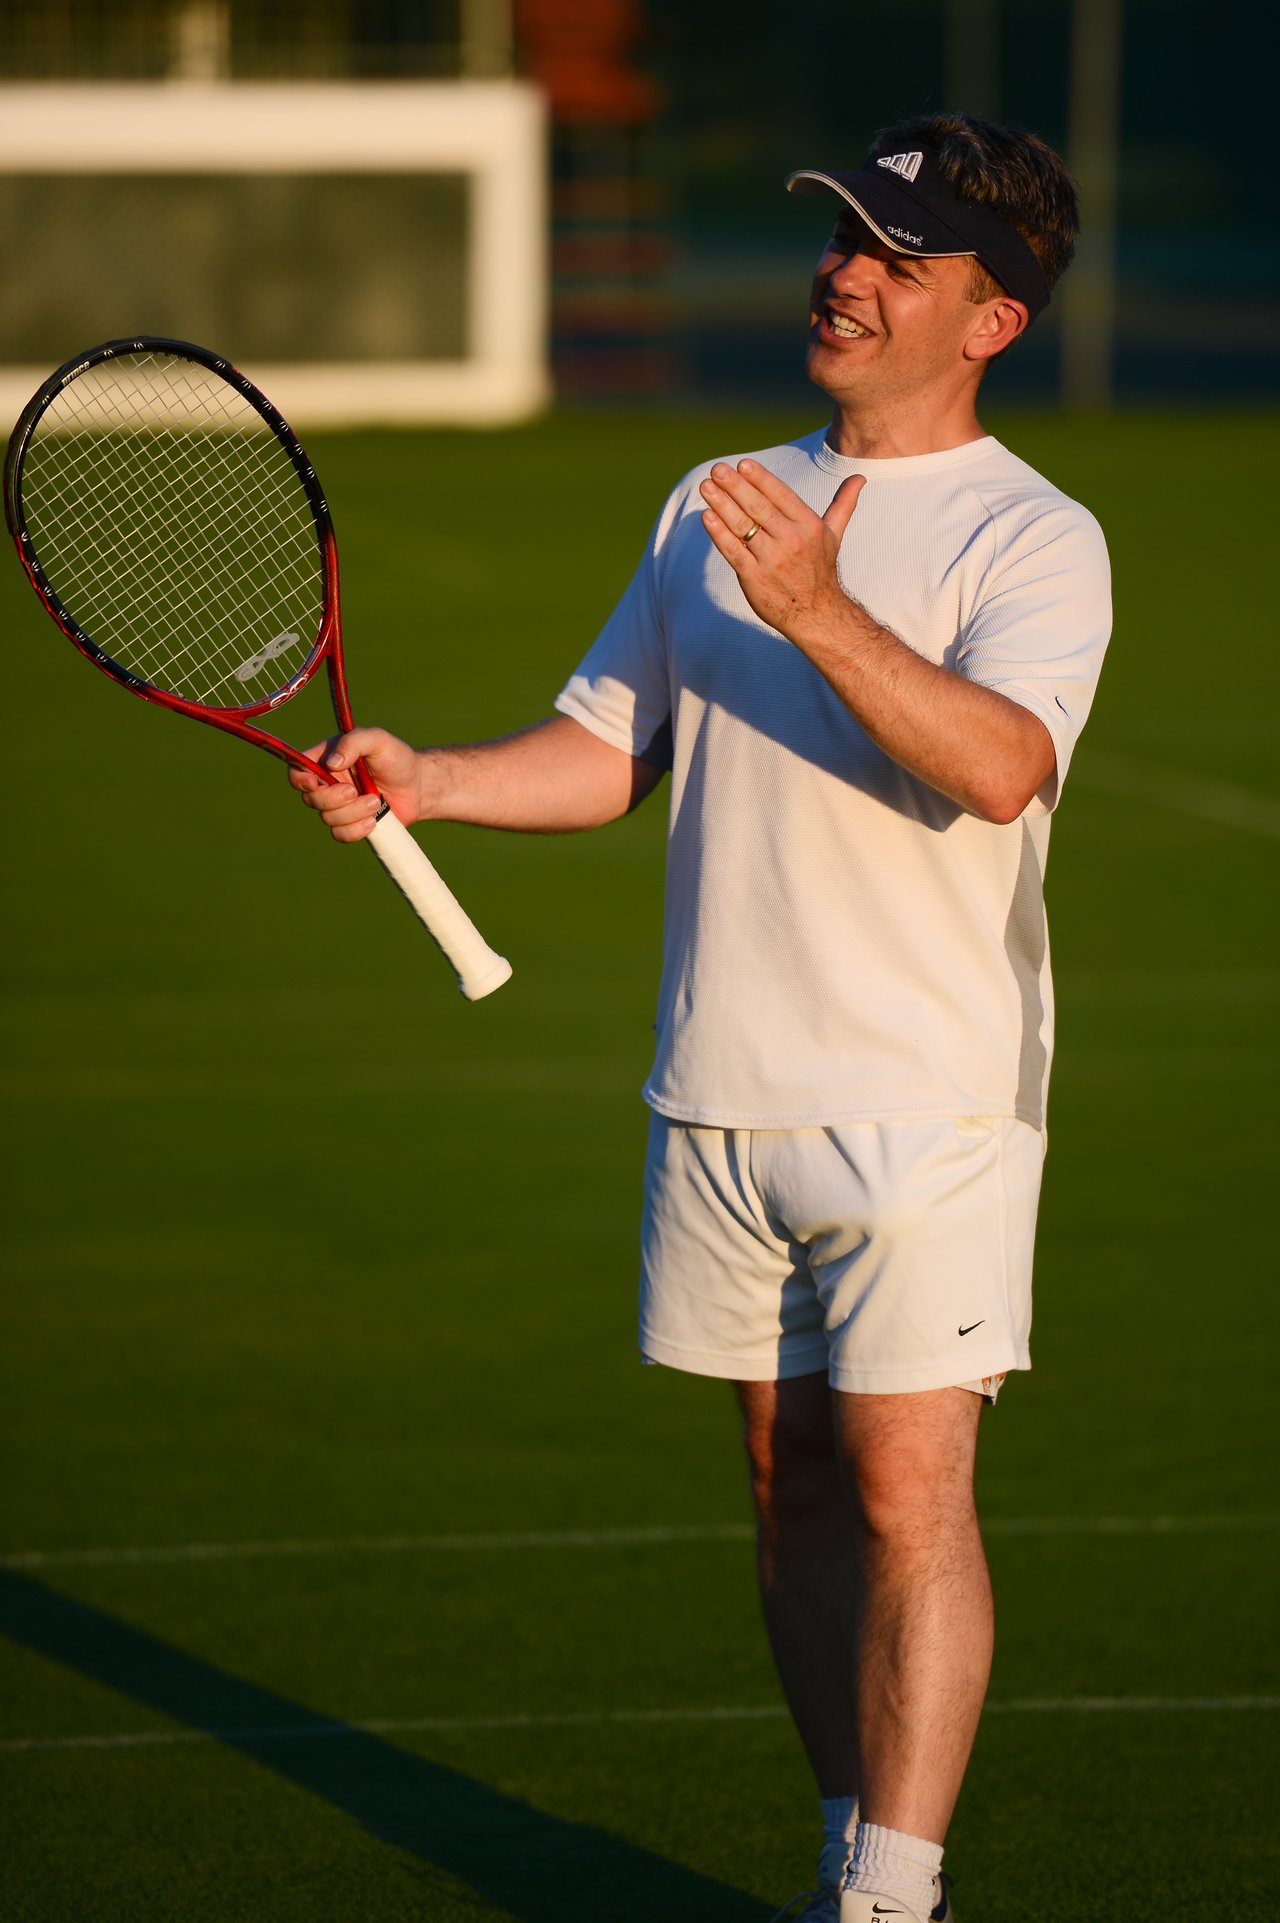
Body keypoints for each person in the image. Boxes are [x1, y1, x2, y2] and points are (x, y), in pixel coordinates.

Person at [291, 113, 1111, 1923]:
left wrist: (818, 608)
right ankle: (854, 1842)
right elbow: (608, 754)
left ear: (993, 320)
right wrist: (426, 775)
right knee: (789, 1490)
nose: (847, 275)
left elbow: (998, 769)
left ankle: (893, 1897)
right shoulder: (712, 494)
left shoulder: (1036, 536)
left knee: (909, 1489)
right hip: (720, 1087)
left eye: (900, 260)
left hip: (926, 1098)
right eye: (845, 240)